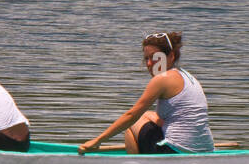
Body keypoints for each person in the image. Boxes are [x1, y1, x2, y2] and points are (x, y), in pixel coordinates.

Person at [78, 32, 214, 154]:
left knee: (132, 123)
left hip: (175, 150)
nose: (149, 64)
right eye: (146, 58)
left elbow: (131, 116)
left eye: (155, 58)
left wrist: (98, 140)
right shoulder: (187, 75)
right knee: (147, 114)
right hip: (205, 149)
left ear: (171, 56)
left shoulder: (162, 79)